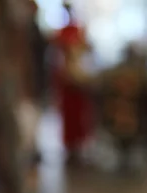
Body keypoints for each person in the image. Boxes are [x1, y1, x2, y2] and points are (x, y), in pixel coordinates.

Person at [52, 2, 93, 161]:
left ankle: (79, 144)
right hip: (66, 79)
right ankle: (70, 146)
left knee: (79, 112)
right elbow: (57, 56)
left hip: (78, 77)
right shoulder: (60, 33)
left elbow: (86, 50)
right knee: (68, 114)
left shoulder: (78, 30)